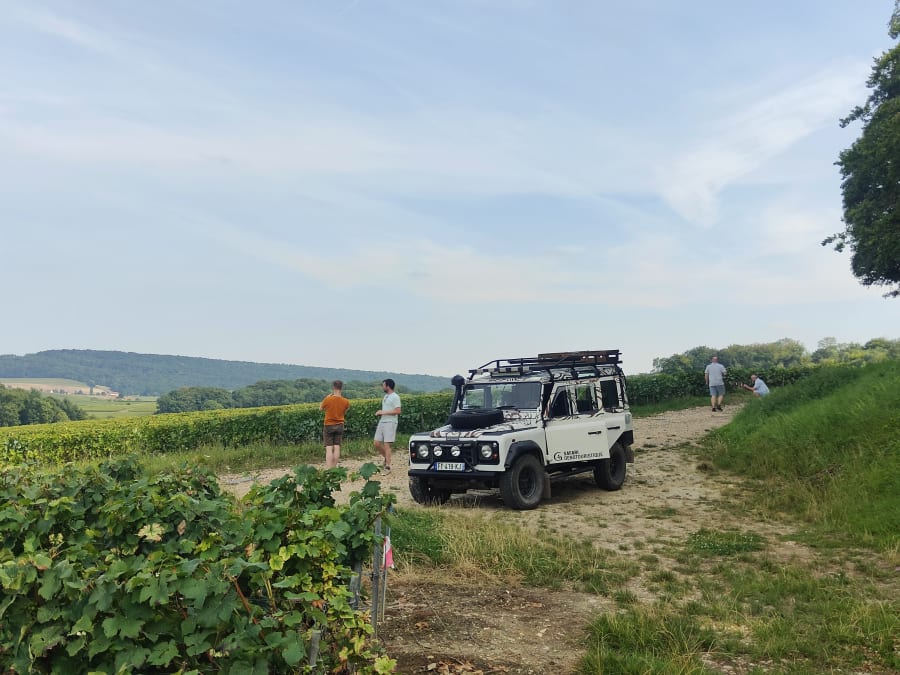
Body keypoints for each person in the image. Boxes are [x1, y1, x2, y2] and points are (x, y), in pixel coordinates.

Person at [320, 380, 350, 468]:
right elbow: (346, 410)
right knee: (337, 447)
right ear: (341, 388)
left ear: (333, 387)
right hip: (340, 425)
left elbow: (320, 408)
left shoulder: (328, 399)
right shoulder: (346, 401)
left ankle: (329, 469)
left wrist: (326, 397)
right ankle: (334, 467)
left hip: (328, 425)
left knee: (329, 448)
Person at [374, 379, 401, 472]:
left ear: (388, 386)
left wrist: (383, 412)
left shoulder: (395, 397)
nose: (383, 387)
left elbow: (398, 411)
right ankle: (387, 457)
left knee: (386, 444)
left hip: (390, 422)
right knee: (376, 443)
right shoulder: (385, 396)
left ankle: (388, 466)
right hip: (382, 421)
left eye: (383, 385)